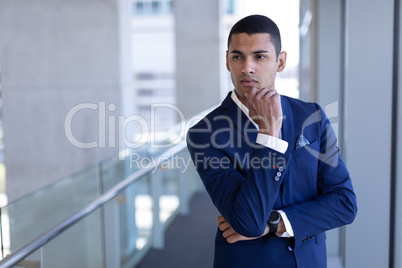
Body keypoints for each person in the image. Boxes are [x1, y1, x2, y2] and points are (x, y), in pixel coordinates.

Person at [186, 14, 357, 268]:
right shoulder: (205, 134)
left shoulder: (312, 117)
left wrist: (275, 223)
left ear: (281, 61)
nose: (247, 67)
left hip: (308, 261)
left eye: (259, 56)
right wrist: (268, 134)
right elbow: (247, 222)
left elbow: (344, 202)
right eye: (237, 56)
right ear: (227, 61)